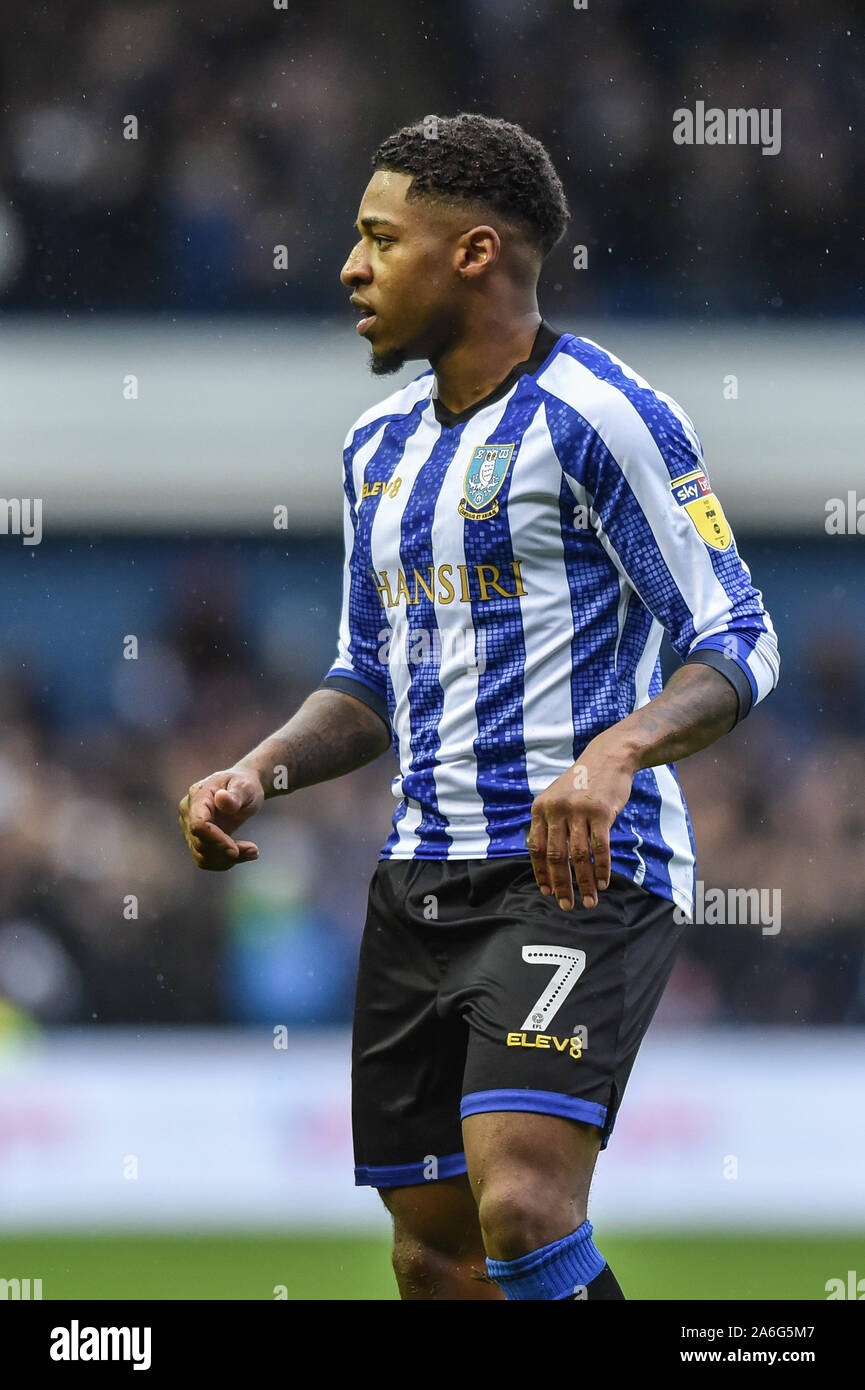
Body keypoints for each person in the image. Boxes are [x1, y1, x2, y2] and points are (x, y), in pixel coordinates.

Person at [179, 114, 780, 1301]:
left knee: (521, 1206)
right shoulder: (376, 447)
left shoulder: (604, 415)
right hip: (418, 881)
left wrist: (614, 755)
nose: (348, 267)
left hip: (574, 871)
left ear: (473, 252)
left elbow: (737, 639)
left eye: (376, 238)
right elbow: (366, 678)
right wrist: (261, 771)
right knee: (432, 1252)